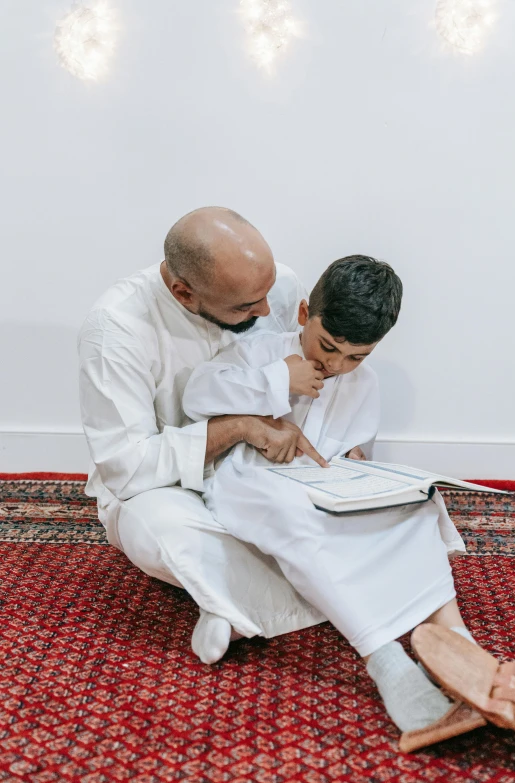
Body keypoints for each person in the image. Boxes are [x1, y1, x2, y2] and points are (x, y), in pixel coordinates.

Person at [182, 255, 475, 736]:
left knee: (420, 502)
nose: (337, 365)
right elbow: (197, 398)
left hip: (325, 486)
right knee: (293, 514)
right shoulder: (258, 352)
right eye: (328, 346)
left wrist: (363, 470)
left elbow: (355, 446)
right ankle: (385, 659)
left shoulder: (365, 382)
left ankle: (456, 638)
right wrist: (281, 380)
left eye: (356, 356)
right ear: (303, 315)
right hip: (251, 483)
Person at [78, 206, 330, 666]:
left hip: (261, 473)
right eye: (246, 307)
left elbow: (308, 373)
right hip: (165, 489)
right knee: (163, 528)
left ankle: (229, 605)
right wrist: (238, 427)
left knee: (366, 508)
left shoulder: (275, 286)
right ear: (183, 293)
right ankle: (307, 590)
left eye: (269, 292)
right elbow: (126, 468)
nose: (267, 311)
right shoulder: (115, 329)